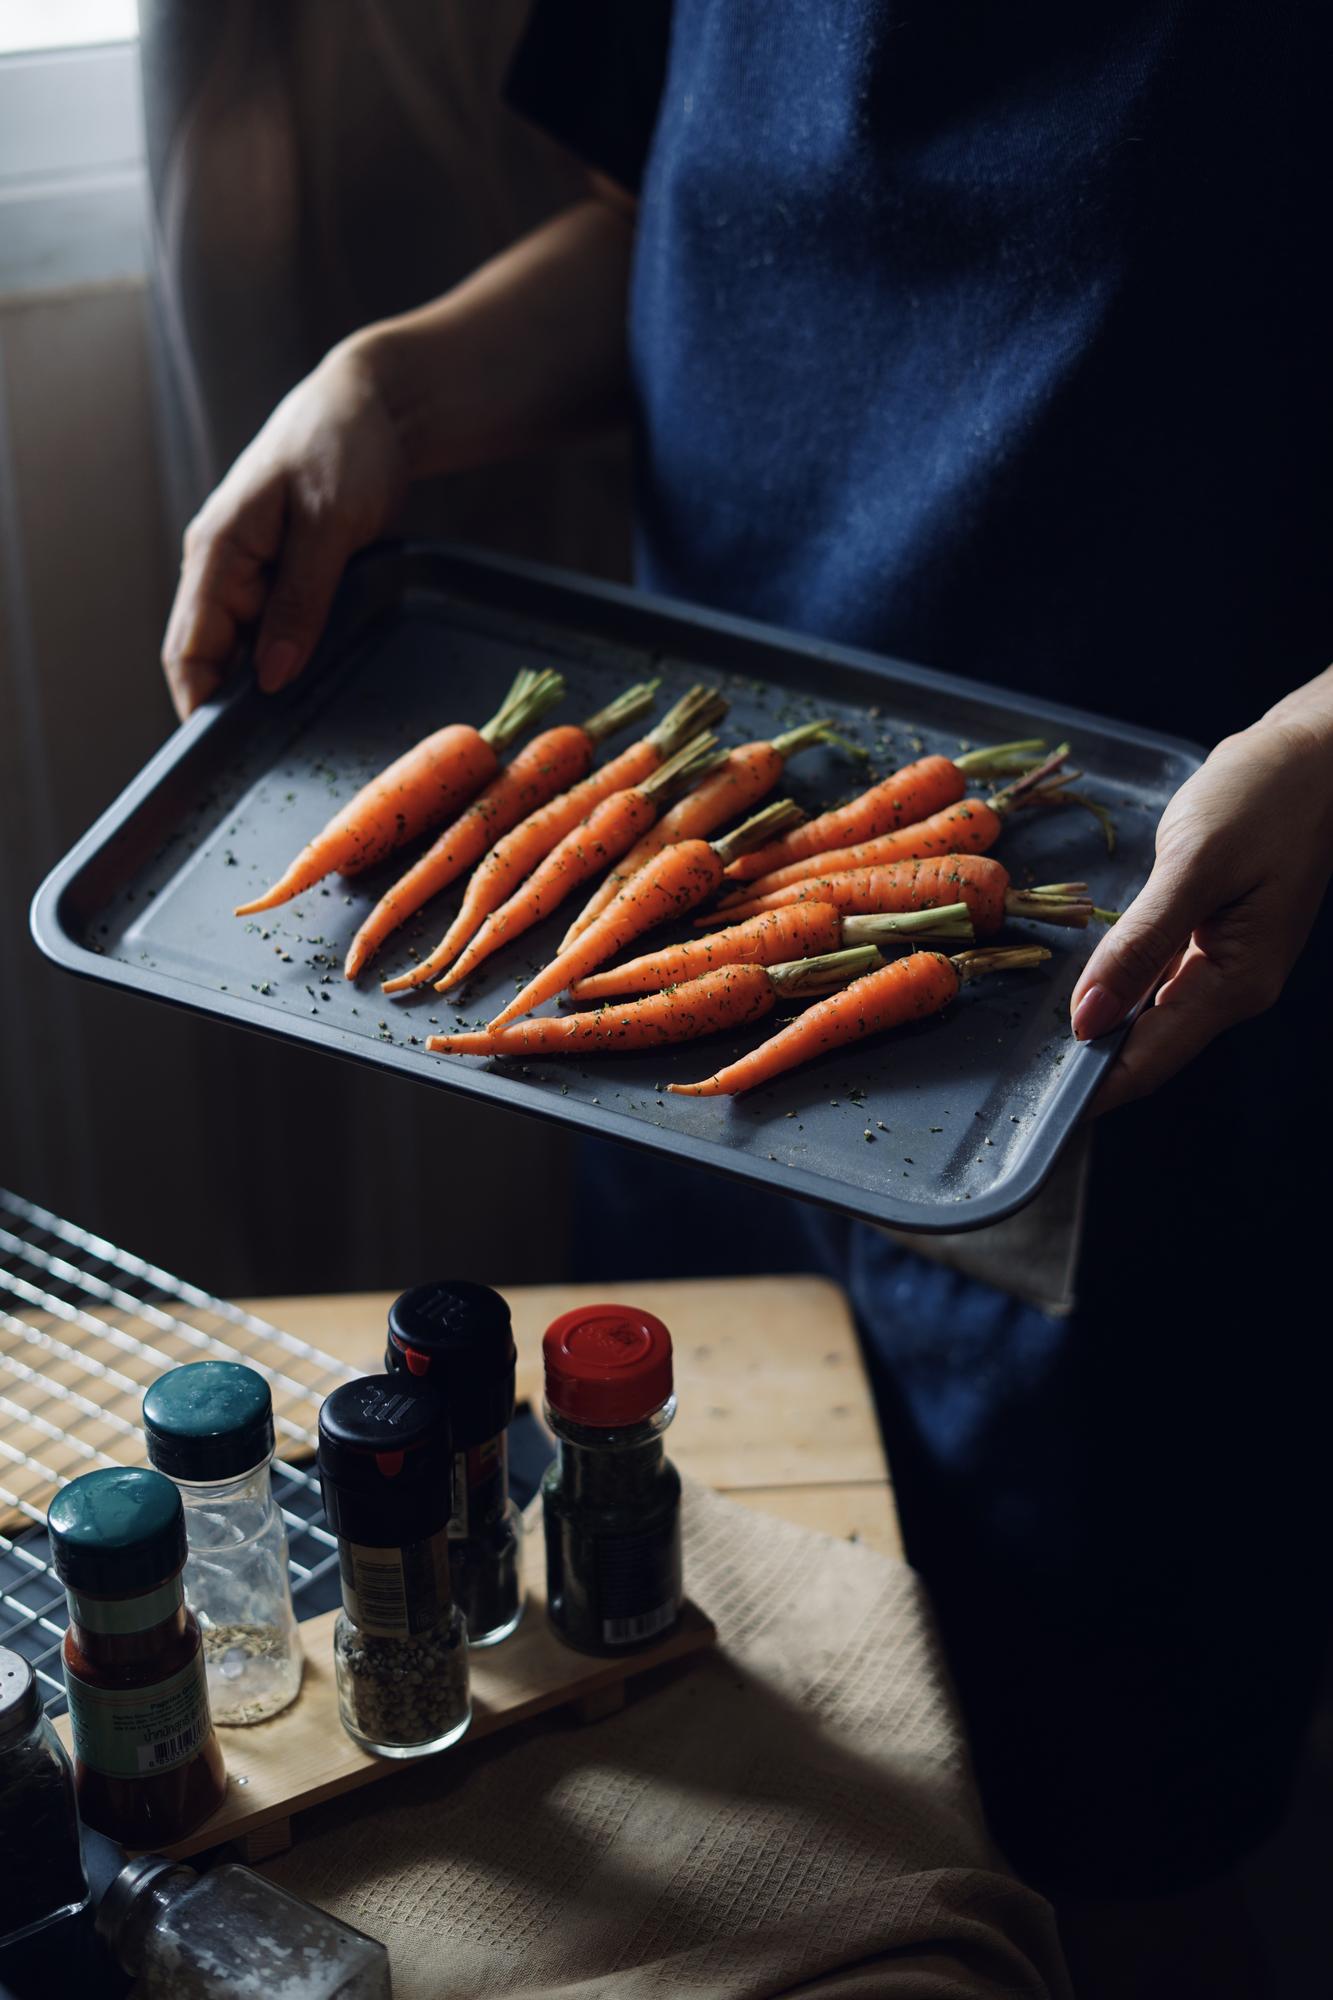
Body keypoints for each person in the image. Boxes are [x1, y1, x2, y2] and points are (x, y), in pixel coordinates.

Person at [161, 6, 1331, 1992]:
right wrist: (397, 383)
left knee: (1106, 1824)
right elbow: (708, 235)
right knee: (754, 1727)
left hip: (1135, 1003)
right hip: (702, 968)